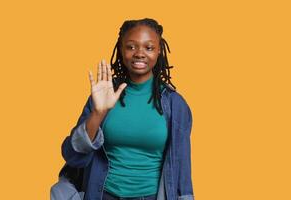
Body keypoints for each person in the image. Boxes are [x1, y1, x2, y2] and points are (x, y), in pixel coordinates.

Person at [51, 18, 194, 200]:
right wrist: (98, 113)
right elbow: (73, 156)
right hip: (102, 195)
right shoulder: (105, 93)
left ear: (159, 51)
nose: (139, 53)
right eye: (131, 46)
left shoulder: (175, 104)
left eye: (148, 47)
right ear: (121, 49)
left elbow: (181, 166)